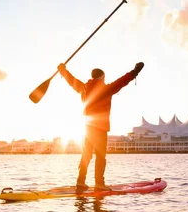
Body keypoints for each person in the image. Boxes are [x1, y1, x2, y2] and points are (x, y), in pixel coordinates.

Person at [58, 61, 144, 191]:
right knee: (100, 156)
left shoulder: (83, 88)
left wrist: (62, 70)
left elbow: (71, 80)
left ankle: (80, 181)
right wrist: (135, 71)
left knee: (86, 155)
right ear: (102, 77)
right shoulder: (105, 89)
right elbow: (122, 81)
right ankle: (99, 183)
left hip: (87, 128)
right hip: (100, 128)